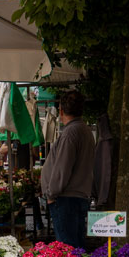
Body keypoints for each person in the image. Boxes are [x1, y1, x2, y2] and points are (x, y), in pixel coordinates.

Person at [40, 90, 95, 248]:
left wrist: (51, 193)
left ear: (61, 110)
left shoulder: (70, 132)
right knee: (75, 247)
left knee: (67, 250)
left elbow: (62, 168)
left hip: (65, 198)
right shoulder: (84, 130)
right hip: (76, 196)